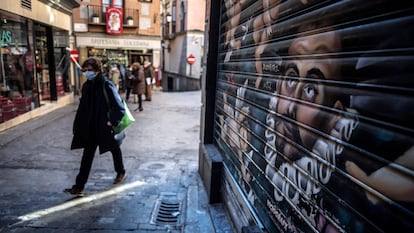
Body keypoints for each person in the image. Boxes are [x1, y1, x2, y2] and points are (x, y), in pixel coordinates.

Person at [64, 57, 126, 196]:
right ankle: (79, 186)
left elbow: (119, 107)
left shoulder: (106, 84)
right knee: (87, 156)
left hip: (104, 126)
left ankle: (121, 171)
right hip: (91, 128)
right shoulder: (87, 86)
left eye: (89, 70)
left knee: (114, 148)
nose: (86, 73)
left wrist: (112, 121)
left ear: (98, 70)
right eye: (84, 70)